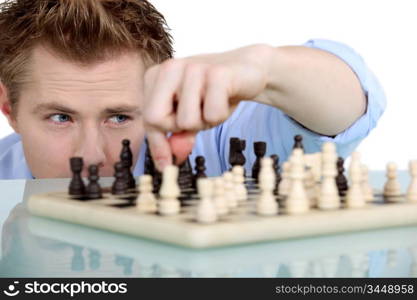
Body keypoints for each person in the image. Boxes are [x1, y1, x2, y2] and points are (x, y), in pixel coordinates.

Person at [0, 0, 385, 179]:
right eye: (60, 117)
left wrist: (267, 68)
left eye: (119, 117)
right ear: (9, 109)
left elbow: (346, 112)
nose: (92, 155)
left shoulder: (211, 145)